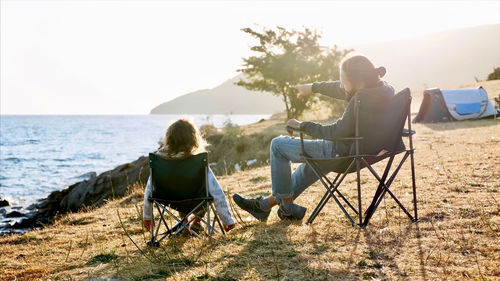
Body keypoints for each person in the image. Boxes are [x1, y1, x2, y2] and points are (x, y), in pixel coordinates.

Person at [233, 55, 395, 221]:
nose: (340, 85)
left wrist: (301, 126)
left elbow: (336, 132)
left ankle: (285, 207)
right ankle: (265, 206)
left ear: (356, 81)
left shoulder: (361, 98)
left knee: (278, 145)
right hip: (360, 153)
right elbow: (340, 89)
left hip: (341, 153)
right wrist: (313, 87)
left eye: (343, 81)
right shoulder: (382, 90)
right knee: (306, 168)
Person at [143, 118, 235, 234]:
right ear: (193, 138)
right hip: (195, 199)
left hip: (170, 199)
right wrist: (227, 221)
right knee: (206, 193)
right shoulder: (198, 162)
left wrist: (147, 217)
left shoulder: (160, 162)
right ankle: (196, 222)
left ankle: (184, 223)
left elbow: (149, 191)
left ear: (169, 139)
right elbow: (217, 192)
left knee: (180, 193)